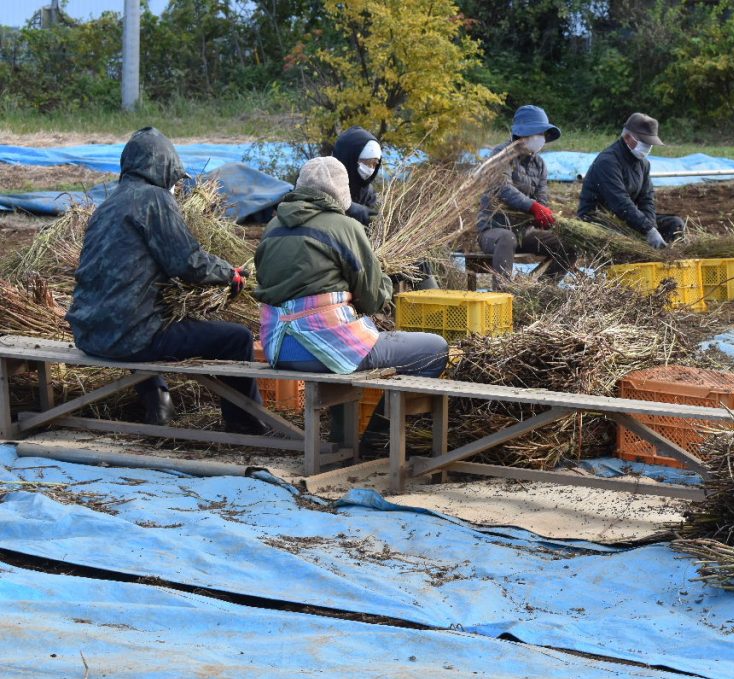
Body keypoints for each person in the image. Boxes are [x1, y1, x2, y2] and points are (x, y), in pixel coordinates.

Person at [66, 127, 263, 432]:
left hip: (89, 332)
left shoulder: (106, 207)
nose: (173, 186)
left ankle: (158, 402)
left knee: (131, 318)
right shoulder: (154, 200)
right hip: (128, 338)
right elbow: (187, 263)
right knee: (236, 338)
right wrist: (229, 274)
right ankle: (248, 427)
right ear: (162, 169)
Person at [254, 156, 449, 447]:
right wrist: (382, 279)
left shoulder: (272, 228)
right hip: (321, 349)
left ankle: (343, 441)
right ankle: (375, 438)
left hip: (278, 348)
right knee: (435, 349)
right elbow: (373, 300)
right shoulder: (344, 227)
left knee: (346, 354)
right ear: (340, 192)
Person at [477, 105, 577, 283]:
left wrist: (543, 213)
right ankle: (503, 295)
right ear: (523, 134)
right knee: (507, 238)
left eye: (542, 134)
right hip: (494, 230)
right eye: (537, 133)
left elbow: (542, 197)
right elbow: (503, 188)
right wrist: (533, 206)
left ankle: (543, 290)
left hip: (524, 231)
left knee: (570, 247)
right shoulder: (501, 155)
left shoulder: (539, 164)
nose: (541, 139)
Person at [333, 125, 439, 289]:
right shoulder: (325, 180)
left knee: (416, 261)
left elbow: (375, 224)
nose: (371, 169)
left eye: (375, 164)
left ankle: (436, 308)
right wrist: (353, 210)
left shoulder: (366, 191)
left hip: (368, 255)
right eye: (366, 163)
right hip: (337, 257)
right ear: (349, 156)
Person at [577, 112, 686, 249]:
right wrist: (647, 229)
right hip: (600, 219)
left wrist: (651, 226)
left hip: (628, 218)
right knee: (621, 235)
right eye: (644, 142)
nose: (647, 147)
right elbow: (620, 202)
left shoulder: (643, 164)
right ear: (627, 137)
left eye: (650, 143)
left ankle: (665, 259)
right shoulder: (608, 162)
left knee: (675, 224)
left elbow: (647, 198)